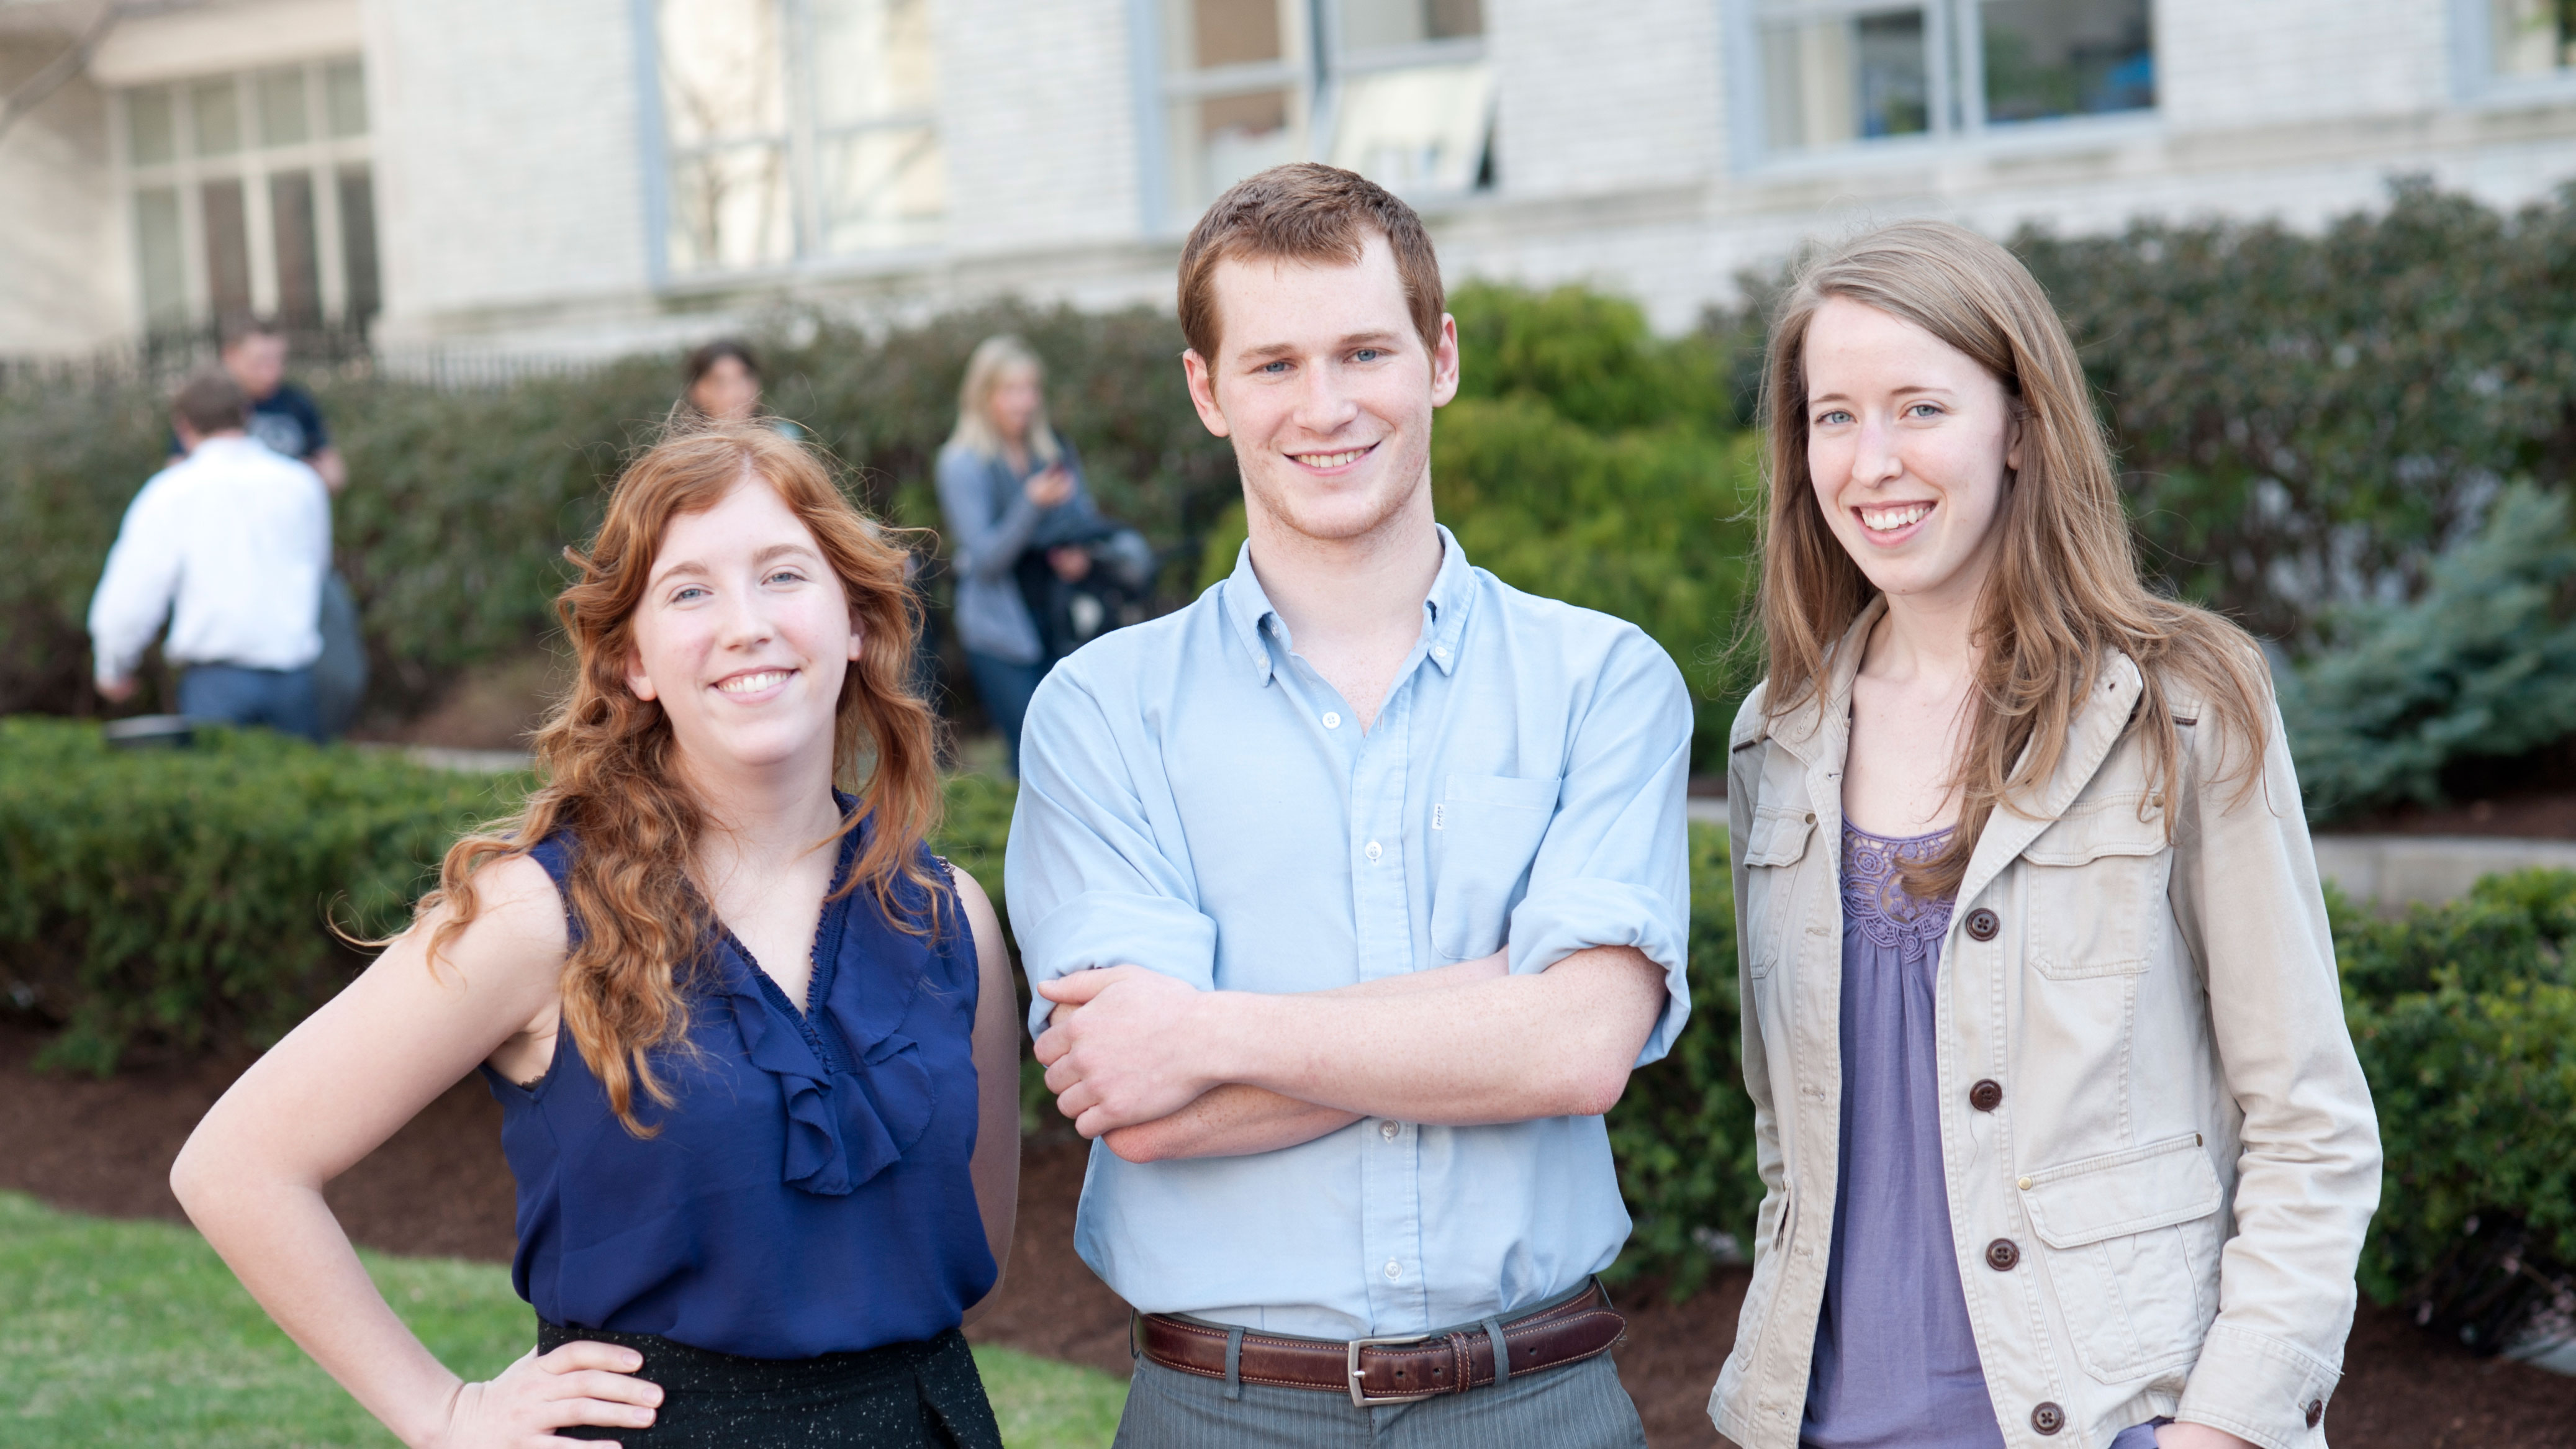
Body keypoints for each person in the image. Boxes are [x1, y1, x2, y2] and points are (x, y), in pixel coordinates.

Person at [1006, 164, 1691, 1447]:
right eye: (1272, 366)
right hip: (1221, 1412)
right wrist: (1500, 998)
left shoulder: (1600, 681)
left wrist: (1211, 1029)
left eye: (1363, 351)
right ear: (1207, 391)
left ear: (1438, 358)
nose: (1323, 408)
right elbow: (1142, 1101)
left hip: (1537, 1406)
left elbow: (1581, 1050)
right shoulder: (1103, 712)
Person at [171, 423, 1023, 1447]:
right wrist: (442, 1411)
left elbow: (976, 1241)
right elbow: (237, 1162)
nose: (746, 623)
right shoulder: (537, 916)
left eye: (783, 574)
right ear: (634, 660)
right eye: (690, 591)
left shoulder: (947, 913)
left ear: (854, 621)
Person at [1709, 221, 2381, 1449]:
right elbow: (1785, 1146)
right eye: (1834, 417)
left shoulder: (2180, 703)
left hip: (2110, 1422)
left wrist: (2222, 1430)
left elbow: (2306, 1122)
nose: (1873, 462)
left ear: (2018, 426)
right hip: (1817, 1423)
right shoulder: (1777, 739)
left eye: (1920, 408)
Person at [934, 336, 1146, 777]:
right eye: (1011, 391)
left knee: (1079, 750)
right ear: (983, 396)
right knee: (1032, 756)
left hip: (1060, 619)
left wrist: (1081, 555)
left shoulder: (1052, 450)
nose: (1025, 402)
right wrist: (1031, 503)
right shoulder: (961, 464)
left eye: (1031, 389)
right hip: (1002, 631)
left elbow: (1081, 522)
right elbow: (986, 561)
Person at [91, 369, 332, 741]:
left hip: (216, 684)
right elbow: (316, 566)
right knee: (299, 792)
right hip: (294, 676)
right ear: (247, 414)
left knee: (221, 793)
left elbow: (133, 593)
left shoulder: (170, 493)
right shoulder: (300, 484)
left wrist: (113, 665)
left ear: (183, 426)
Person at [168, 315, 366, 736]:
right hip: (230, 561)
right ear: (231, 357)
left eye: (278, 360)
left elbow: (334, 472)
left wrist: (287, 481)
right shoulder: (209, 406)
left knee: (339, 664)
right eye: (260, 361)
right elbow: (180, 479)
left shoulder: (294, 403)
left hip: (294, 557)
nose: (271, 372)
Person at [682, 338, 804, 441]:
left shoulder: (784, 439)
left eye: (744, 378)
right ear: (696, 391)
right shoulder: (684, 456)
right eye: (720, 382)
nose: (735, 392)